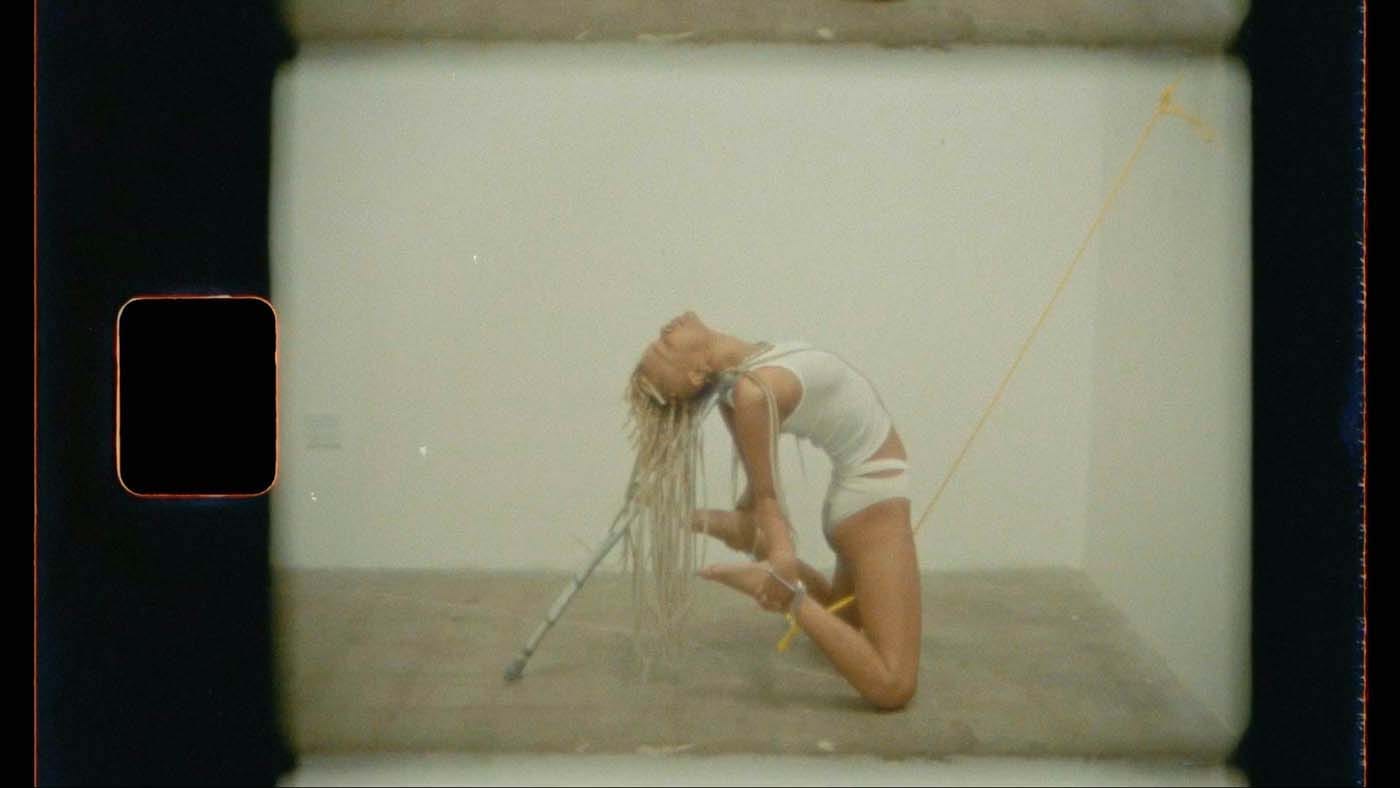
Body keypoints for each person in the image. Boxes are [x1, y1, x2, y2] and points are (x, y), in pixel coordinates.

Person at [627, 311, 920, 710]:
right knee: (892, 686)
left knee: (846, 625)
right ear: (697, 373)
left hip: (860, 498)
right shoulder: (749, 395)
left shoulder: (740, 382)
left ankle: (740, 534)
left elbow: (756, 488)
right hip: (874, 506)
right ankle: (786, 592)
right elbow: (767, 496)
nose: (663, 331)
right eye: (663, 348)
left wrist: (753, 523)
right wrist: (781, 566)